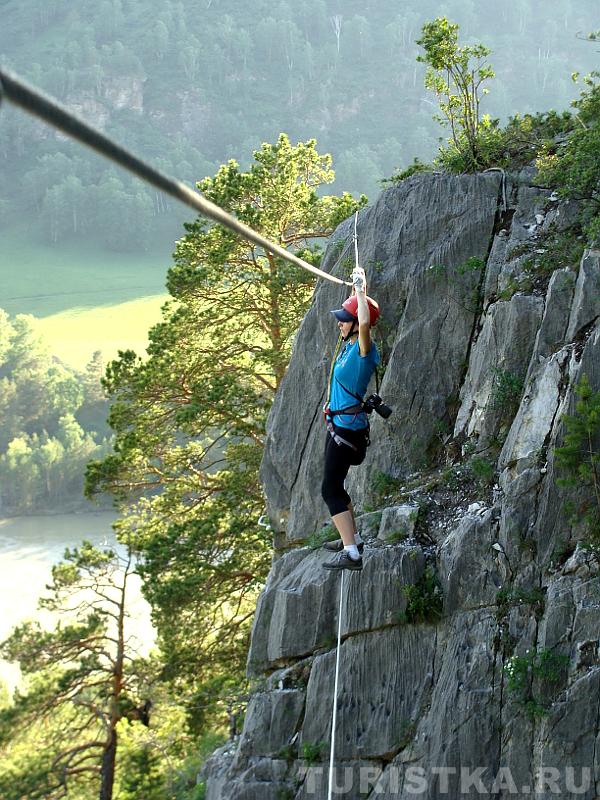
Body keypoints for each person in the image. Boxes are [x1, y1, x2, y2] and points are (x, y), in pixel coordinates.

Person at [321, 266, 380, 571]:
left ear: (357, 324)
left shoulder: (363, 350)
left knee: (330, 490)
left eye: (345, 320)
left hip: (346, 432)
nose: (340, 323)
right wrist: (358, 291)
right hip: (341, 427)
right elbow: (359, 316)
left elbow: (365, 322)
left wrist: (360, 290)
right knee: (336, 487)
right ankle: (352, 540)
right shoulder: (348, 347)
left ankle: (352, 553)